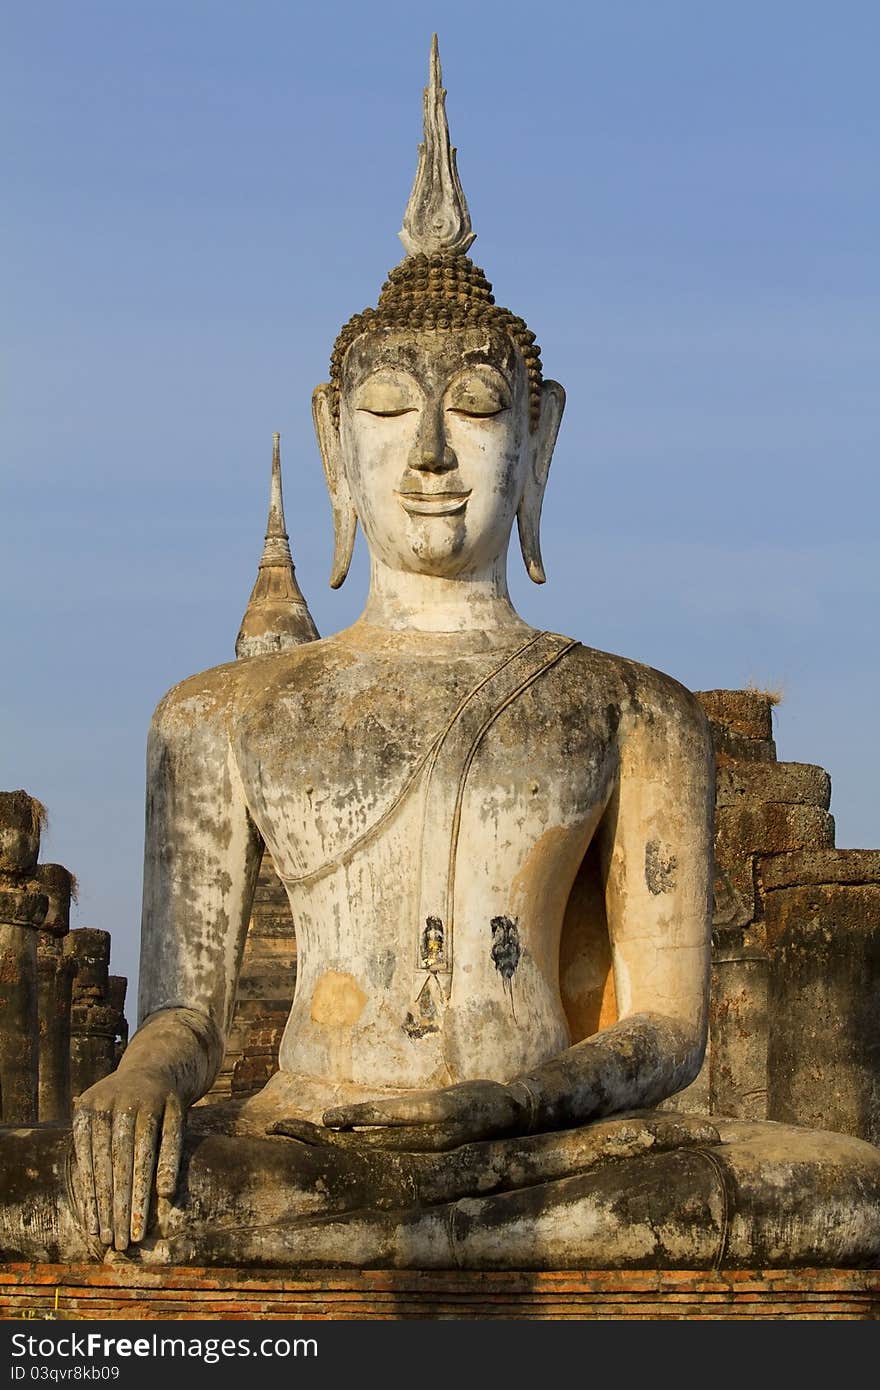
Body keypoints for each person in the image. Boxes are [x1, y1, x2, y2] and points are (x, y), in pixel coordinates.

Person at [64, 40, 879, 1270]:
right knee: (64, 1181)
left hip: (537, 1144)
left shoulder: (631, 707)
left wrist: (499, 1106)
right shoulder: (219, 713)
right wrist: (138, 1077)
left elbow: (663, 1028)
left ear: (538, 440)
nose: (433, 452)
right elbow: (190, 1013)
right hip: (304, 1135)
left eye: (480, 408)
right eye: (390, 411)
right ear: (338, 446)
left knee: (843, 1193)